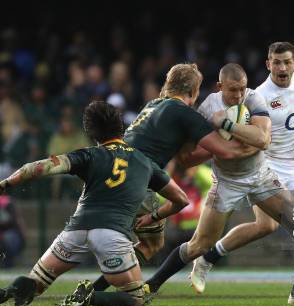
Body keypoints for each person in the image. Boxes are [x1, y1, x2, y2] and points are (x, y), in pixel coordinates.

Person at [143, 63, 294, 306]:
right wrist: (222, 150)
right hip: (226, 182)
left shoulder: (254, 98)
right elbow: (186, 158)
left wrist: (226, 127)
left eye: (242, 89)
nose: (238, 95)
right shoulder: (208, 108)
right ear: (220, 87)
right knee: (198, 245)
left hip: (260, 176)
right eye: (232, 90)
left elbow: (263, 139)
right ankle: (150, 285)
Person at [0, 101, 188, 306]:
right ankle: (90, 295)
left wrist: (3, 184)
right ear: (121, 127)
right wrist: (154, 217)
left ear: (91, 133)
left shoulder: (89, 155)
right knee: (136, 297)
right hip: (112, 234)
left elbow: (40, 166)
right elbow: (181, 199)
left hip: (74, 231)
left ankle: (8, 291)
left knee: (37, 282)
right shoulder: (144, 162)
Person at [88, 63, 258, 292]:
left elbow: (185, 157)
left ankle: (76, 286)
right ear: (193, 91)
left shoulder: (153, 105)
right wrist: (253, 143)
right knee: (150, 244)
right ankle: (97, 292)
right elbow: (226, 152)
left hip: (110, 173)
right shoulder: (183, 112)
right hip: (136, 182)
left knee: (91, 237)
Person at [190, 42, 294, 305]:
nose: (282, 67)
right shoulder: (257, 95)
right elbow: (250, 134)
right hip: (268, 166)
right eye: (276, 62)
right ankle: (208, 257)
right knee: (266, 226)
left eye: (287, 62)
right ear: (268, 64)